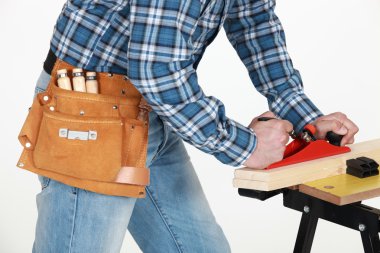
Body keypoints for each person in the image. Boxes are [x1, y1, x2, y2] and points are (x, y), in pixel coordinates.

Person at [32, 0, 358, 252]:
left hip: (155, 109)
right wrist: (247, 146)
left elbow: (254, 23)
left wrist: (303, 116)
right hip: (90, 111)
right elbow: (156, 72)